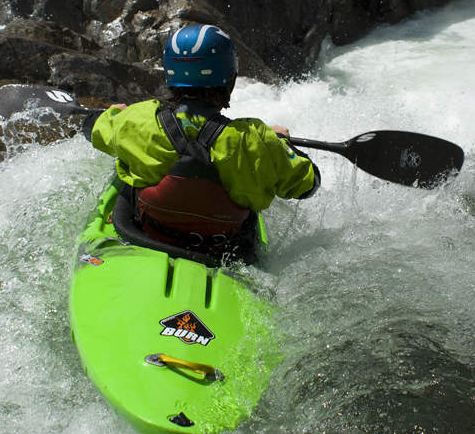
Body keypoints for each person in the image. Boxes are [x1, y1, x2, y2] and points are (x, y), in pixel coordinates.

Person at [83, 23, 320, 262]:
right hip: (222, 250)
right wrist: (282, 143)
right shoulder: (255, 138)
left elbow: (91, 127)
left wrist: (116, 114)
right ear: (229, 79)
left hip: (149, 234)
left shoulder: (136, 119)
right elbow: (308, 184)